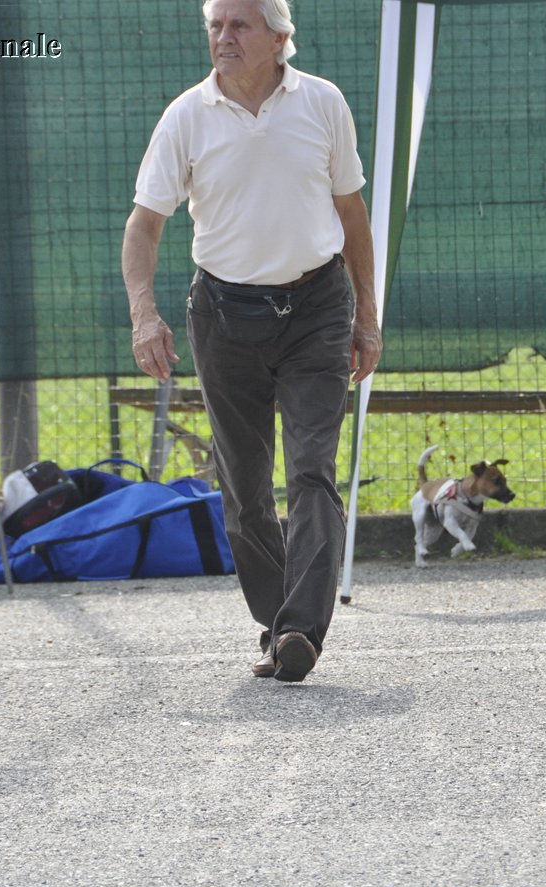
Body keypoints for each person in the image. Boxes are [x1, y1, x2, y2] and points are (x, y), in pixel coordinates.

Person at [121, 0, 381, 683]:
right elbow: (143, 227)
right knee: (242, 489)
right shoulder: (187, 115)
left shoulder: (323, 103)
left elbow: (352, 214)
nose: (223, 37)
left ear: (278, 36)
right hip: (223, 314)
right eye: (215, 26)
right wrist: (144, 315)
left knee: (311, 470)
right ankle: (277, 620)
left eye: (239, 25)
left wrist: (367, 315)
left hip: (317, 308)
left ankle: (301, 628)